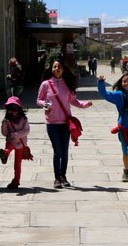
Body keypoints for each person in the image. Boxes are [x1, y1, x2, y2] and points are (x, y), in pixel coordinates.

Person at [36, 58, 93, 188]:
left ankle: (64, 177)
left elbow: (74, 101)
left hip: (65, 123)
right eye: (55, 67)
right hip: (52, 123)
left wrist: (85, 104)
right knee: (57, 151)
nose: (57, 69)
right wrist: (44, 104)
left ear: (63, 69)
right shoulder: (45, 84)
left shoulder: (67, 84)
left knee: (65, 151)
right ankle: (57, 178)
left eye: (59, 67)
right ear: (51, 69)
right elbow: (38, 99)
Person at [0, 96, 30, 189]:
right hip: (11, 141)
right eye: (11, 110)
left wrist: (15, 134)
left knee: (17, 163)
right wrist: (4, 125)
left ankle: (16, 181)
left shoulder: (24, 119)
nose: (13, 112)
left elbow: (26, 131)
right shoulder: (7, 120)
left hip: (20, 143)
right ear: (8, 110)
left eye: (15, 109)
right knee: (9, 147)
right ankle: (5, 154)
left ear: (19, 109)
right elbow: (4, 133)